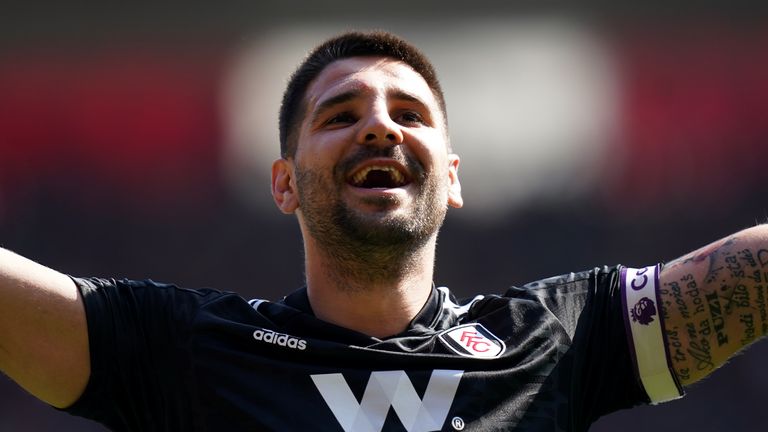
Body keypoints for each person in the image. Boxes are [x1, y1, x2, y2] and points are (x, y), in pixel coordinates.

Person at [0, 30, 766, 432]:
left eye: (409, 114)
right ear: (285, 182)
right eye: (340, 115)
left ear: (455, 176)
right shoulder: (185, 350)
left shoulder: (553, 339)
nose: (378, 127)